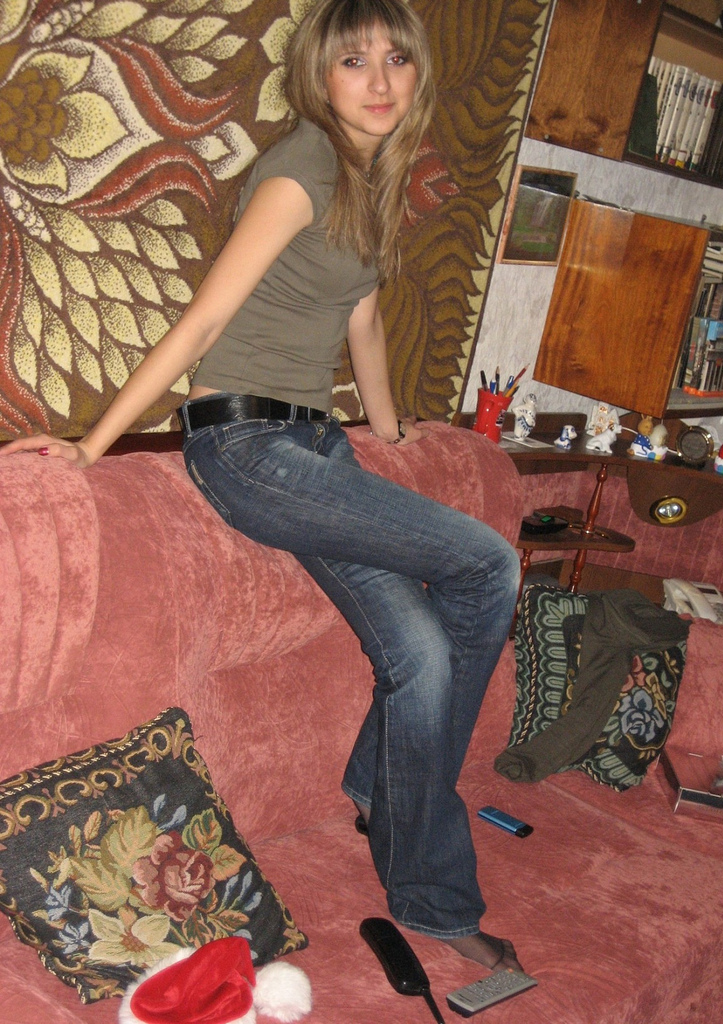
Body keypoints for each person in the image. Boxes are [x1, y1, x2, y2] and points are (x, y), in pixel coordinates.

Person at [0, 0, 521, 972]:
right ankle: (436, 892)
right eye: (354, 61)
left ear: (418, 75)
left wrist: (392, 431)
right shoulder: (299, 171)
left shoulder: (373, 179)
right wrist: (89, 446)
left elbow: (362, 321)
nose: (378, 81)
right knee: (488, 565)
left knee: (421, 654)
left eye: (396, 59)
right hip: (245, 448)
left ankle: (380, 787)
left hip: (317, 448)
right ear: (320, 75)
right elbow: (202, 325)